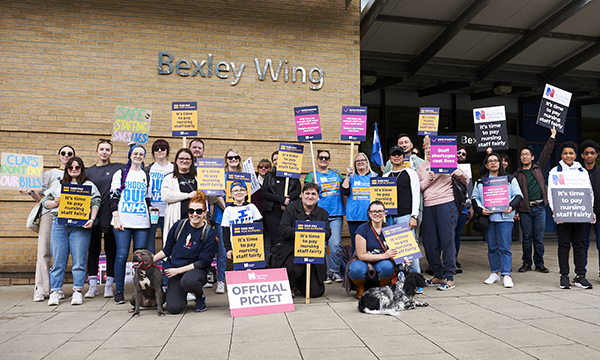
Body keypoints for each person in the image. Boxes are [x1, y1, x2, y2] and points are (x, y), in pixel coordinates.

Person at [42, 157, 101, 305]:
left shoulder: (88, 185)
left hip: (81, 226)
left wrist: (92, 219)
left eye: (77, 167)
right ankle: (55, 291)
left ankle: (77, 291)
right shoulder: (58, 184)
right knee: (58, 259)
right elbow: (44, 202)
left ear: (82, 169)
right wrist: (55, 202)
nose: (74, 170)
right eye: (71, 167)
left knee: (79, 259)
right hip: (60, 224)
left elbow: (96, 203)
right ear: (67, 169)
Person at [20, 145, 75, 302]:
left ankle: (56, 288)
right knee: (44, 251)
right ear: (58, 155)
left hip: (68, 216)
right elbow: (42, 200)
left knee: (60, 253)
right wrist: (31, 193)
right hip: (49, 215)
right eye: (63, 153)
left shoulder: (75, 174)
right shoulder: (50, 174)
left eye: (69, 153)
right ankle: (41, 288)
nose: (66, 155)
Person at [153, 191, 217, 313]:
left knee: (188, 281)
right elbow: (167, 250)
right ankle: (180, 296)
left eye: (198, 211)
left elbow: (203, 262)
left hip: (197, 271)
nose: (194, 214)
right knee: (173, 308)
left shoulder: (209, 232)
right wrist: (150, 261)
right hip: (176, 270)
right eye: (191, 211)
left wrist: (177, 270)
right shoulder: (179, 226)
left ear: (205, 212)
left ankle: (200, 298)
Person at [417, 138, 468, 290]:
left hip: (446, 203)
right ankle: (438, 275)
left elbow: (466, 180)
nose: (428, 150)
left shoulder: (450, 161)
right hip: (428, 206)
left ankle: (450, 277)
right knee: (429, 242)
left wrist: (456, 171)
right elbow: (418, 187)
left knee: (447, 240)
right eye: (426, 148)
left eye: (431, 147)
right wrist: (429, 178)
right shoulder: (421, 166)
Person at [270, 183, 331, 298]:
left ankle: (299, 283)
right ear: (302, 195)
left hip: (311, 252)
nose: (310, 196)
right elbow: (283, 229)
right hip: (290, 250)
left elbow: (328, 233)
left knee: (316, 292)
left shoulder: (323, 213)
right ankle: (290, 284)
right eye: (307, 193)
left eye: (313, 194)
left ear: (318, 197)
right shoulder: (291, 208)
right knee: (296, 269)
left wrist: (313, 232)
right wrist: (302, 231)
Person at [548, 141, 595, 289]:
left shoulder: (582, 171)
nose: (568, 156)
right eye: (565, 153)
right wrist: (555, 211)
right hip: (563, 215)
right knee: (563, 245)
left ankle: (580, 276)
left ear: (575, 155)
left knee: (580, 245)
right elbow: (551, 193)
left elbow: (589, 193)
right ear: (561, 155)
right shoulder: (555, 171)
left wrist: (589, 210)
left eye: (571, 153)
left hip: (580, 214)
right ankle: (564, 277)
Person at [472, 153, 523, 288]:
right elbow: (474, 198)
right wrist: (481, 209)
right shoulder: (481, 181)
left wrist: (511, 206)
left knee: (505, 247)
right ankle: (494, 273)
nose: (493, 163)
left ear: (500, 163)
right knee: (492, 247)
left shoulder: (510, 179)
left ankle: (506, 275)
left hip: (505, 218)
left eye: (496, 160)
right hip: (489, 218)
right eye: (490, 161)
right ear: (486, 165)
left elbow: (518, 195)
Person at [110, 144, 152, 304]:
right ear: (130, 155)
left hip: (141, 221)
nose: (138, 156)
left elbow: (147, 198)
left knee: (140, 258)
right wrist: (116, 218)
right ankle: (119, 290)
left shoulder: (145, 175)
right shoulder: (120, 173)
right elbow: (113, 197)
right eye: (136, 153)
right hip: (123, 221)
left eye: (141, 154)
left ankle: (140, 291)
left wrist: (150, 208)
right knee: (121, 256)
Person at [514, 127, 556, 274]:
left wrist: (552, 136)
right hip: (525, 210)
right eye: (522, 155)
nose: (524, 157)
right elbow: (514, 193)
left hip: (539, 209)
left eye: (527, 154)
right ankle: (526, 263)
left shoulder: (538, 168)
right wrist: (516, 210)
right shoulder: (517, 174)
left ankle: (539, 263)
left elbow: (546, 153)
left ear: (532, 157)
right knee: (526, 238)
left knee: (538, 238)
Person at [85, 139, 123, 298]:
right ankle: (92, 285)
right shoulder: (88, 172)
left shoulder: (117, 168)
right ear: (96, 151)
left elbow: (135, 163)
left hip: (111, 215)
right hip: (92, 217)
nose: (104, 152)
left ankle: (109, 285)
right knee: (93, 250)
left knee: (111, 251)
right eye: (101, 149)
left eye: (108, 149)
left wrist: (132, 146)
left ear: (111, 152)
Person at [304, 149, 345, 283]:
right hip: (319, 215)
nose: (323, 160)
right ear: (317, 159)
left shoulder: (337, 173)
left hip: (336, 213)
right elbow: (305, 193)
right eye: (321, 157)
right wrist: (312, 187)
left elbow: (345, 187)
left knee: (335, 246)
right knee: (320, 246)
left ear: (329, 160)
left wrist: (349, 175)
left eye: (326, 158)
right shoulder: (312, 175)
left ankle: (334, 271)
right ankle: (323, 274)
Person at [345, 201, 397, 298]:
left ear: (384, 213)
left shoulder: (390, 229)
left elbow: (395, 252)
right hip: (363, 260)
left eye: (380, 211)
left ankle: (383, 289)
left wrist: (404, 259)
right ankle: (360, 288)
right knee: (356, 269)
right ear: (369, 213)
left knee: (387, 267)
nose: (377, 214)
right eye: (374, 211)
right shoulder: (362, 229)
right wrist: (384, 255)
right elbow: (361, 255)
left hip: (382, 261)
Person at [382, 146, 420, 274]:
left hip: (406, 215)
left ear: (404, 157)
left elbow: (416, 195)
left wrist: (414, 216)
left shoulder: (411, 173)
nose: (396, 157)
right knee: (394, 250)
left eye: (399, 154)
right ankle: (400, 278)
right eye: (394, 155)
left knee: (409, 250)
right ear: (390, 158)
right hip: (390, 218)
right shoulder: (386, 175)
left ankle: (416, 279)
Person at [210, 148, 243, 294]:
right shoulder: (220, 176)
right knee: (223, 250)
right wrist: (229, 210)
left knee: (240, 249)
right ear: (226, 160)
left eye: (236, 157)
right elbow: (217, 196)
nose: (233, 160)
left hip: (241, 219)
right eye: (230, 157)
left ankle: (238, 278)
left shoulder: (244, 177)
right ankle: (221, 281)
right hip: (221, 218)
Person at [262, 150, 301, 250]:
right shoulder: (269, 176)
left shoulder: (293, 175)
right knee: (275, 241)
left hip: (289, 211)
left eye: (278, 159)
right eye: (274, 160)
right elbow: (265, 193)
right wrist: (282, 199)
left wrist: (288, 200)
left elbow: (298, 190)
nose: (276, 161)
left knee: (289, 239)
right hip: (273, 212)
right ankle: (275, 264)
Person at [341, 152, 377, 254]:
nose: (360, 162)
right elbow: (344, 191)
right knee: (356, 246)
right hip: (354, 217)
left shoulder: (374, 176)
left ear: (367, 162)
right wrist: (347, 176)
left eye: (362, 160)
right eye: (357, 161)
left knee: (370, 245)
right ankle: (354, 268)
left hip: (370, 217)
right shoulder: (351, 177)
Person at [145, 139, 174, 254]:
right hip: (153, 210)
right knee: (150, 239)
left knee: (168, 239)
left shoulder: (173, 168)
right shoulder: (149, 168)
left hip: (168, 210)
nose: (159, 151)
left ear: (168, 151)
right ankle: (151, 266)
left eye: (163, 148)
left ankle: (167, 267)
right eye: (156, 149)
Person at [222, 181, 263, 259]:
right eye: (235, 190)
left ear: (247, 192)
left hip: (252, 246)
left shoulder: (252, 207)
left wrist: (251, 225)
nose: (239, 192)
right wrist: (228, 249)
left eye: (241, 190)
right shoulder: (228, 210)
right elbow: (225, 231)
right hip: (235, 247)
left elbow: (260, 224)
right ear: (231, 194)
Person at [580, 139, 600, 274]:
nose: (589, 156)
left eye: (592, 153)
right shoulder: (577, 173)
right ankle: (581, 273)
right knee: (582, 245)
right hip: (582, 214)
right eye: (586, 153)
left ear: (596, 155)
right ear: (582, 155)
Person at [454, 146, 473, 273]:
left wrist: (470, 206)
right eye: (458, 152)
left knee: (457, 236)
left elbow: (469, 189)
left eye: (464, 154)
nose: (461, 155)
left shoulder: (467, 170)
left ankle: (454, 259)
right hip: (448, 206)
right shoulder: (446, 166)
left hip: (462, 209)